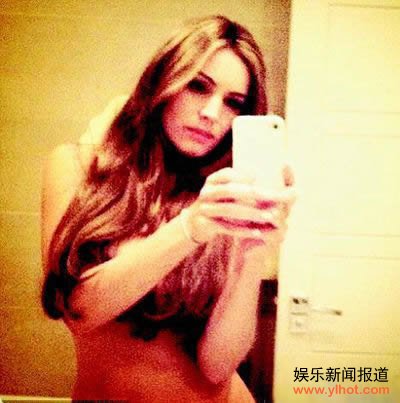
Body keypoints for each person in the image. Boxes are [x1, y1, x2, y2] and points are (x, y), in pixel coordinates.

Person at [41, 15, 295, 402]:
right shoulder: (78, 168)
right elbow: (78, 311)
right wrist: (190, 228)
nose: (212, 113)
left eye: (233, 103)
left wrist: (252, 254)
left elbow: (217, 367)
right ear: (165, 81)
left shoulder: (227, 194)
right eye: (197, 86)